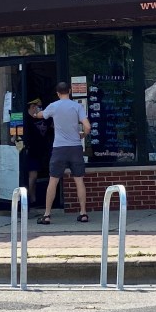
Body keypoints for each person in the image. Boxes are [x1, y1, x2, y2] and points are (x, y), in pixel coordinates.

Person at [33, 82, 91, 224]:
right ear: (69, 91)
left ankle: (47, 215)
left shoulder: (54, 106)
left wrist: (35, 113)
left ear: (58, 93)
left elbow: (41, 115)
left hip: (59, 148)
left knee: (53, 181)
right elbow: (87, 126)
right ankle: (83, 213)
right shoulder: (77, 106)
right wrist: (83, 135)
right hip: (75, 148)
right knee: (79, 180)